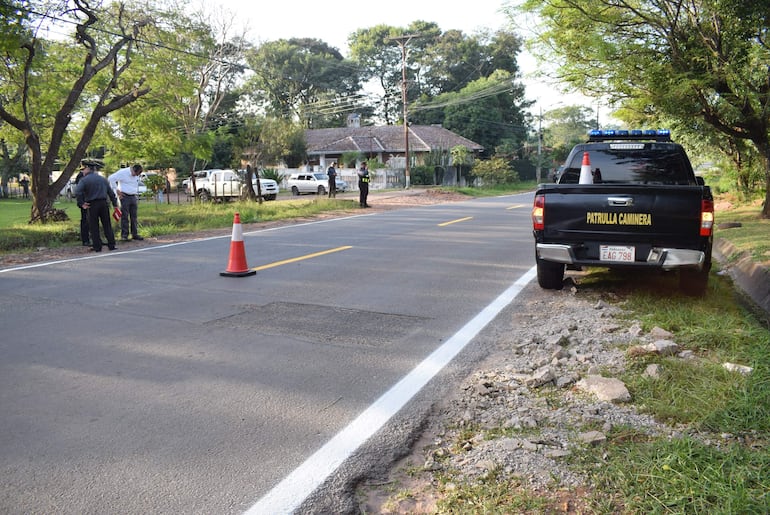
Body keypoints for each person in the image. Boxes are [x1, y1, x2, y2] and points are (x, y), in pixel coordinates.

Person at [75, 160, 118, 252]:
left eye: (84, 169)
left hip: (92, 204)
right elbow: (110, 193)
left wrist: (81, 203)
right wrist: (115, 205)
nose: (82, 171)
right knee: (107, 224)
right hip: (104, 203)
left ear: (88, 169)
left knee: (94, 226)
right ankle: (111, 244)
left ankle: (97, 246)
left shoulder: (84, 180)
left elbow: (78, 192)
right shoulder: (102, 179)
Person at [108, 164, 144, 241]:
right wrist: (116, 190)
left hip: (133, 195)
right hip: (124, 196)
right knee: (125, 216)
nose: (136, 176)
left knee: (134, 216)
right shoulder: (123, 172)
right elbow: (111, 178)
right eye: (136, 174)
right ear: (133, 170)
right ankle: (124, 234)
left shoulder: (136, 175)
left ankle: (134, 233)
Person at [75, 169, 90, 246]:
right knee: (85, 221)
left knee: (91, 221)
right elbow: (78, 192)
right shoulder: (81, 177)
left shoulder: (88, 176)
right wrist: (81, 203)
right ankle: (85, 240)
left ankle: (91, 238)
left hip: (90, 201)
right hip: (85, 202)